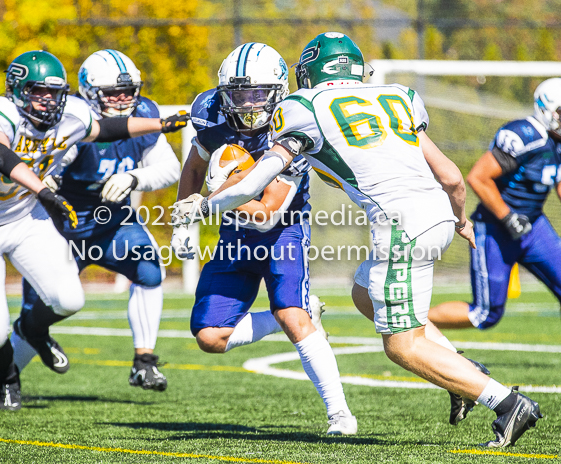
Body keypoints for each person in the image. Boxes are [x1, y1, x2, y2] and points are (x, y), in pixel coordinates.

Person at [173, 33, 542, 447]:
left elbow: (259, 186)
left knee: (402, 347)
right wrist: (460, 220)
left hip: (400, 226)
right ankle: (461, 371)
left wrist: (203, 207)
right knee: (364, 293)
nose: (250, 104)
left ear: (304, 74)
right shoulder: (397, 97)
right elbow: (453, 177)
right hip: (437, 212)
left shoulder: (300, 108)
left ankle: (507, 402)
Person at [0, 50, 188, 411]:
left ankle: (50, 336)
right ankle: (6, 378)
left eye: (55, 93)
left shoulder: (74, 116)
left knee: (70, 298)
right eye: (38, 92)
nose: (48, 101)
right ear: (17, 91)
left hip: (26, 218)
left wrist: (161, 125)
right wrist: (43, 189)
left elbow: (106, 129)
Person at [171, 42, 357, 435]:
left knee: (291, 313)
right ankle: (304, 314)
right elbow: (194, 163)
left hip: (283, 229)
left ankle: (340, 414)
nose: (248, 104)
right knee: (209, 335)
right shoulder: (211, 112)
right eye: (239, 94)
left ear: (278, 91)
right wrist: (182, 220)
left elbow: (267, 212)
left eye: (257, 93)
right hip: (233, 231)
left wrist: (213, 198)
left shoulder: (296, 123)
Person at [12, 49, 180, 391]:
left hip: (110, 223)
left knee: (149, 268)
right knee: (39, 310)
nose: (123, 99)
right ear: (89, 93)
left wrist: (134, 178)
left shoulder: (144, 112)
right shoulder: (71, 118)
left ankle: (144, 362)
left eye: (128, 91)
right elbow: (44, 171)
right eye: (112, 93)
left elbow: (169, 168)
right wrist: (50, 180)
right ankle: (4, 378)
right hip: (60, 228)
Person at [429, 78, 561, 332]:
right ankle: (412, 325)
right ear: (546, 109)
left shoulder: (556, 141)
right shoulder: (524, 135)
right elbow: (478, 177)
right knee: (486, 313)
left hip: (534, 225)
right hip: (496, 227)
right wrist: (508, 217)